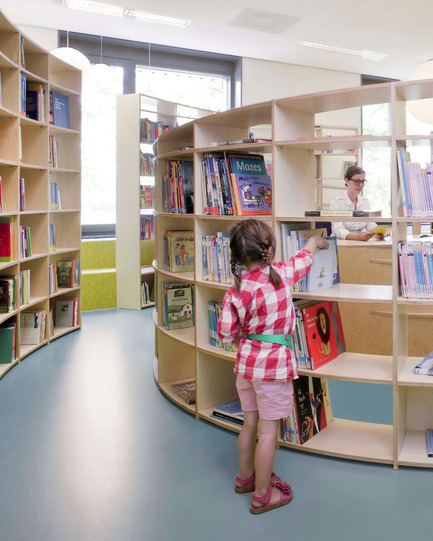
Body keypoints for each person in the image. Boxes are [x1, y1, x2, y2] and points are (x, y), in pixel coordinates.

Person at [217, 219, 325, 514]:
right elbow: (303, 259)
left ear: (237, 255)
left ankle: (244, 479)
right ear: (270, 248)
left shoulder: (236, 291)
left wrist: (244, 335)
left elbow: (226, 334)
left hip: (246, 367)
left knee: (249, 424)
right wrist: (314, 242)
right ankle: (263, 495)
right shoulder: (281, 274)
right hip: (273, 369)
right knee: (267, 432)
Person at [330, 165, 377, 241]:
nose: (360, 185)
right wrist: (357, 237)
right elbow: (338, 229)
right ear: (347, 181)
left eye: (362, 181)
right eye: (357, 181)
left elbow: (370, 224)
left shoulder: (364, 201)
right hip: (341, 242)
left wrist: (379, 233)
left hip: (360, 242)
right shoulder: (337, 201)